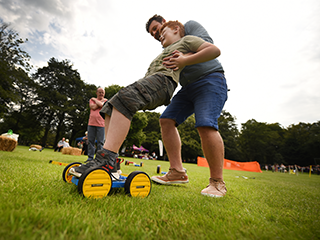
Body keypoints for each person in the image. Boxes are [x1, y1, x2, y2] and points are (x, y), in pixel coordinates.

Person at [70, 20, 221, 179]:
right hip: (154, 81)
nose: (160, 37)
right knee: (110, 105)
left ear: (176, 29)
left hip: (164, 82)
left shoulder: (187, 40)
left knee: (125, 100)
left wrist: (184, 59)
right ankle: (109, 159)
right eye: (157, 35)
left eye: (162, 32)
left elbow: (213, 50)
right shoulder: (166, 49)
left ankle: (106, 158)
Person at [145, 15, 228, 198]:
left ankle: (217, 183)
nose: (155, 33)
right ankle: (177, 172)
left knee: (205, 123)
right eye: (152, 33)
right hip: (187, 88)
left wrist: (183, 59)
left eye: (155, 28)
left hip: (210, 79)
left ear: (167, 24)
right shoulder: (167, 47)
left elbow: (207, 46)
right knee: (166, 120)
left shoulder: (188, 27)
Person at [87, 88, 107, 161]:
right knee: (90, 141)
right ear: (96, 93)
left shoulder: (106, 101)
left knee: (100, 143)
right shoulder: (91, 100)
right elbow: (93, 107)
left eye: (102, 92)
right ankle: (90, 158)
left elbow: (102, 105)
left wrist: (96, 100)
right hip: (91, 123)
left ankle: (99, 159)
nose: (101, 94)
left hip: (101, 125)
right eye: (99, 92)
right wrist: (98, 102)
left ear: (104, 94)